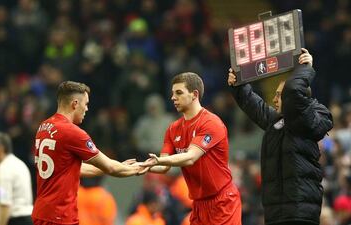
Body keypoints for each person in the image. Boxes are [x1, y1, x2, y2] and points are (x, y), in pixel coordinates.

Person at [227, 48, 333, 225]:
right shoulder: (276, 121)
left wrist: (305, 68)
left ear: (294, 98)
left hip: (300, 212)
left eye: (279, 95)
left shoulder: (309, 118)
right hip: (275, 212)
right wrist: (238, 84)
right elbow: (252, 104)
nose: (274, 100)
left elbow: (292, 90)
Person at [32, 81, 142, 225]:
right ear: (75, 103)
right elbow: (111, 167)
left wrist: (113, 166)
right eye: (86, 104)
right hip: (60, 216)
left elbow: (70, 168)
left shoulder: (44, 127)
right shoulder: (72, 132)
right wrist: (139, 168)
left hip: (42, 212)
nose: (87, 109)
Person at [141, 72, 242, 225]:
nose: (173, 98)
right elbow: (163, 166)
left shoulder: (211, 122)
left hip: (223, 201)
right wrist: (140, 166)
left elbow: (190, 157)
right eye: (173, 93)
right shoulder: (172, 129)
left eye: (179, 93)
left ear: (194, 94)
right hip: (198, 205)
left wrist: (158, 160)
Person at [0, 132, 33, 225]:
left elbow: (5, 203)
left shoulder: (3, 170)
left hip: (16, 220)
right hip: (27, 218)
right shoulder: (19, 164)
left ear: (0, 149)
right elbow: (17, 198)